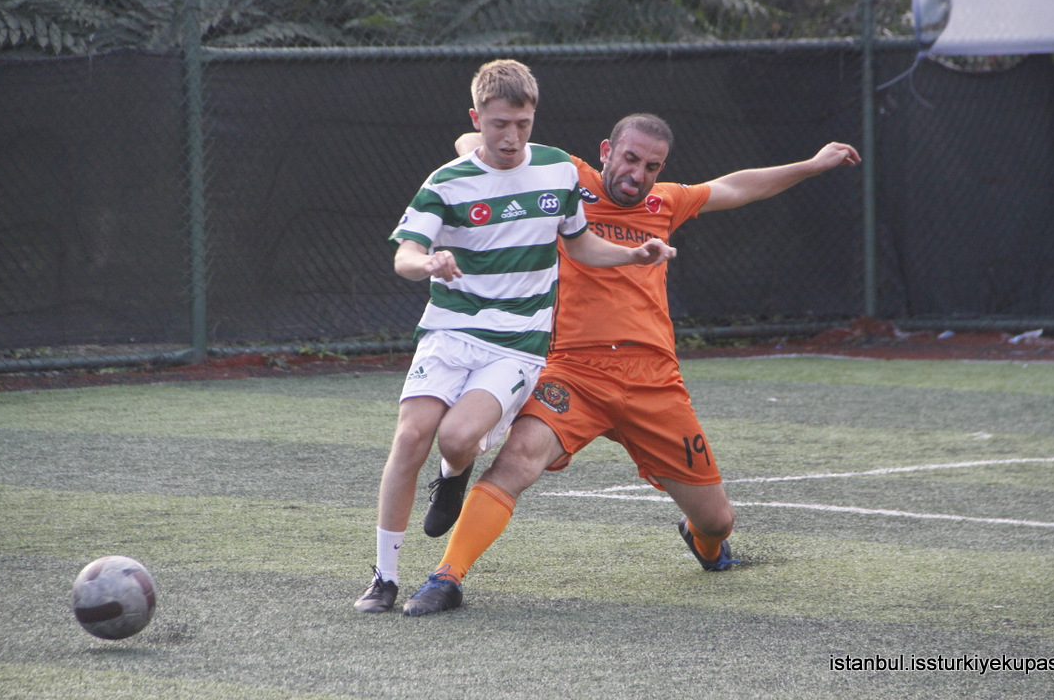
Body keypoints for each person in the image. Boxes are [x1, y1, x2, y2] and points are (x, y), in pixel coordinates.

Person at [400, 113, 860, 616]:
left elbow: (736, 187)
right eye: (630, 158)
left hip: (654, 383)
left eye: (652, 166)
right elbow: (472, 140)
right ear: (607, 151)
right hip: (574, 371)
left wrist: (812, 165)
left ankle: (704, 543)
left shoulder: (667, 201)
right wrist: (505, 161)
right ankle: (447, 577)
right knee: (517, 459)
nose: (638, 174)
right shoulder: (565, 176)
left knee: (718, 521)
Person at [355, 64, 676, 613]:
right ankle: (384, 578)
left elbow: (579, 244)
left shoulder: (556, 170)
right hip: (450, 331)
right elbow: (404, 254)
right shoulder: (447, 181)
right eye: (499, 124)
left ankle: (454, 473)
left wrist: (632, 255)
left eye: (522, 124)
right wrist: (427, 262)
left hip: (517, 342)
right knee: (410, 437)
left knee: (456, 437)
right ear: (476, 119)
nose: (511, 137)